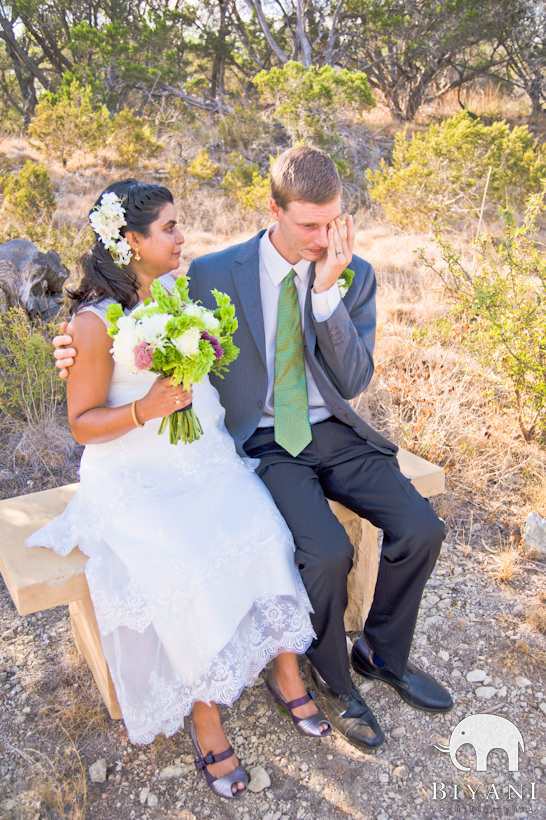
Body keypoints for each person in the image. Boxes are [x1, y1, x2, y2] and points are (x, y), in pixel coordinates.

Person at [54, 147, 453, 754]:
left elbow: (353, 380)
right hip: (263, 439)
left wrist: (324, 298)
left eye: (335, 222)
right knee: (324, 553)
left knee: (422, 527)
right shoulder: (214, 273)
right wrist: (70, 346)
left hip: (337, 432)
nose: (326, 238)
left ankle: (379, 652)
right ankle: (336, 684)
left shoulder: (358, 274)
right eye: (311, 225)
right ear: (274, 210)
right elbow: (122, 313)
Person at [31, 179, 332, 801]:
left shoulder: (173, 291)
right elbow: (82, 425)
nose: (181, 237)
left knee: (264, 532)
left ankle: (283, 666)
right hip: (135, 478)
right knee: (189, 567)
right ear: (132, 241)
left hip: (202, 457)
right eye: (169, 228)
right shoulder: (90, 324)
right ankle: (205, 712)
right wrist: (147, 409)